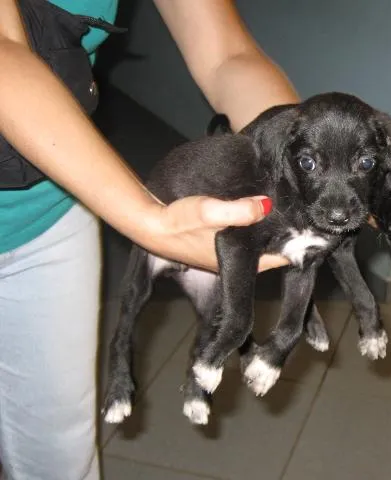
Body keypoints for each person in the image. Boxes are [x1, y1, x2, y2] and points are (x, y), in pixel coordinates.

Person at [0, 0, 299, 478]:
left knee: (59, 461)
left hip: (51, 213)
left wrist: (311, 160)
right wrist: (147, 218)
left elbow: (226, 54)